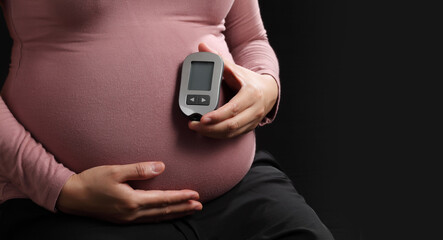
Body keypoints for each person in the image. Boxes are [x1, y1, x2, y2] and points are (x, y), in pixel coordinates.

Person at [0, 0, 334, 239]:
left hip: (238, 195)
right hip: (68, 206)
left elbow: (250, 40)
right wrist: (58, 187)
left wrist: (265, 86)